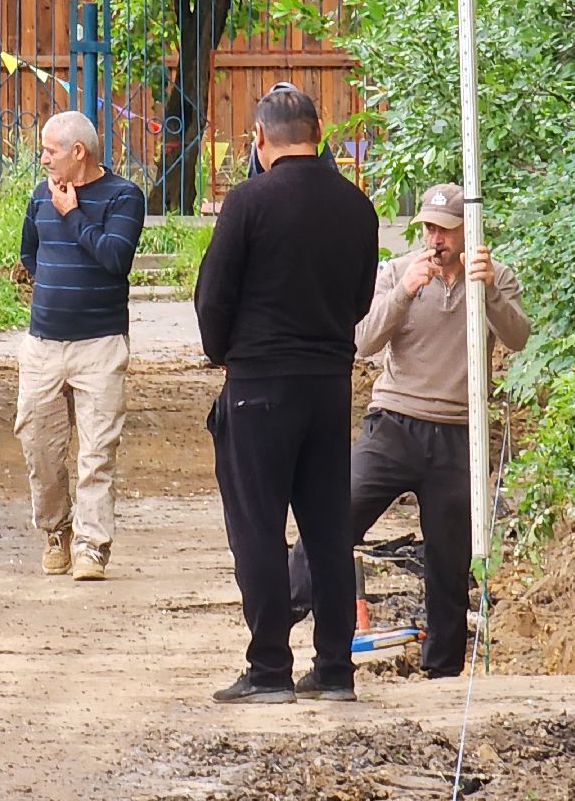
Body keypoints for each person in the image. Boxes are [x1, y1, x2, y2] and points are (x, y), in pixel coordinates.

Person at [287, 183, 531, 678]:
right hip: (393, 423)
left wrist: (487, 296)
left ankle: (441, 671)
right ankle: (279, 614)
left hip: (459, 432)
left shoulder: (494, 275)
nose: (434, 238)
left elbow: (518, 337)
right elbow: (363, 339)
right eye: (427, 228)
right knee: (334, 518)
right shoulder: (397, 272)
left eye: (444, 229)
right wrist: (403, 293)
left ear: (468, 232)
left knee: (448, 558)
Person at [194, 86, 378, 703]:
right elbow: (359, 301)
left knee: (257, 528)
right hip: (329, 385)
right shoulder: (357, 207)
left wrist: (224, 354)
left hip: (259, 385)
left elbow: (213, 295)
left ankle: (269, 666)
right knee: (328, 530)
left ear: (260, 139)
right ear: (318, 136)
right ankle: (335, 671)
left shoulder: (248, 201)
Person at [16, 110, 145, 581]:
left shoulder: (124, 196)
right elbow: (29, 253)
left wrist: (72, 217)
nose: (43, 158)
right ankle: (56, 531)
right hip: (44, 345)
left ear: (78, 152)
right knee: (39, 447)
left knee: (97, 453)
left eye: (51, 150)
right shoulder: (38, 196)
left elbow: (115, 258)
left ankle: (92, 546)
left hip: (100, 345)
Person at [245, 81, 338, 178]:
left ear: (260, 135)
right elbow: (331, 173)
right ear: (319, 129)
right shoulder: (350, 191)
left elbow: (253, 178)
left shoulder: (243, 192)